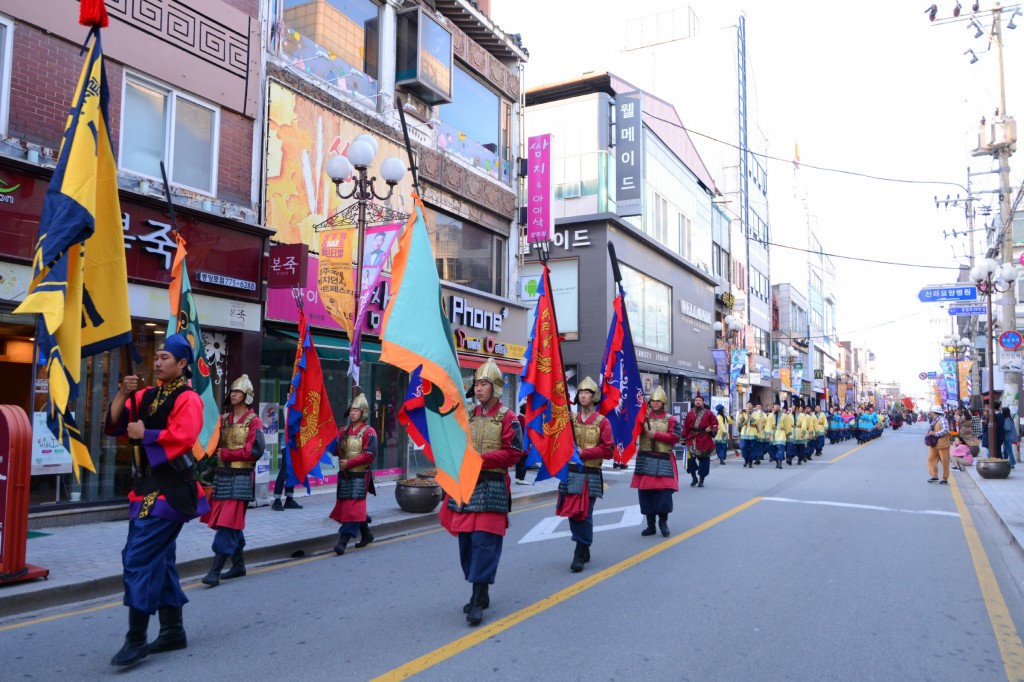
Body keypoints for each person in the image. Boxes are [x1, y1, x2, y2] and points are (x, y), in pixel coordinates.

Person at [104, 334, 209, 667]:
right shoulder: (147, 395)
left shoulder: (188, 398)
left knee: (138, 557)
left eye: (166, 357)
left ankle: (135, 640)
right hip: (146, 487)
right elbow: (116, 423)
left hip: (171, 489)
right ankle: (173, 630)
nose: (159, 361)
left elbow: (183, 437)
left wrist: (145, 434)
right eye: (158, 356)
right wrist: (123, 392)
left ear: (182, 363)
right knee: (159, 560)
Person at [438, 358, 523, 626]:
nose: (478, 388)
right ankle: (482, 590)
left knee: (485, 544)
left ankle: (476, 599)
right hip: (467, 488)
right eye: (476, 383)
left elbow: (515, 453)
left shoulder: (509, 417)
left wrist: (481, 459)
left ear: (496, 386)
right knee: (466, 543)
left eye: (484, 383)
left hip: (493, 487)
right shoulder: (467, 415)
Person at [200, 375, 262, 587]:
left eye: (238, 391)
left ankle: (214, 572)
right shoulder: (223, 419)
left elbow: (255, 450)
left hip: (241, 478)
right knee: (230, 523)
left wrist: (226, 455)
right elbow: (210, 441)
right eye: (232, 391)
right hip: (222, 476)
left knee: (227, 523)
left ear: (247, 396)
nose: (233, 394)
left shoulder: (254, 421)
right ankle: (238, 565)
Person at [557, 377, 613, 572]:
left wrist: (585, 452)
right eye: (580, 392)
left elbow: (608, 450)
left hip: (591, 472)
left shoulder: (602, 422)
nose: (583, 395)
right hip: (571, 472)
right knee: (573, 513)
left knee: (584, 513)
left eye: (587, 392)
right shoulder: (569, 419)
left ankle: (579, 552)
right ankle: (584, 545)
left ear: (594, 396)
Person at [330, 393, 377, 555]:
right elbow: (336, 451)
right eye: (351, 410)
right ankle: (367, 534)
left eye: (356, 410)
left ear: (363, 412)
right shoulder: (343, 431)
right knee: (351, 508)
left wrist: (349, 462)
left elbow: (370, 455)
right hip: (345, 476)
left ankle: (342, 541)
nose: (352, 413)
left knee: (353, 508)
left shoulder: (369, 432)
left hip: (359, 476)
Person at [631, 386, 681, 537]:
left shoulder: (671, 419)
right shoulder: (642, 417)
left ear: (664, 402)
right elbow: (633, 432)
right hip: (646, 458)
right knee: (646, 493)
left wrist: (656, 435)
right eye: (653, 400)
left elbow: (676, 438)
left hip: (663, 458)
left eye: (658, 401)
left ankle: (663, 521)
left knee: (664, 493)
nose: (655, 403)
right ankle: (650, 524)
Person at [683, 393, 718, 487]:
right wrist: (683, 438)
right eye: (696, 400)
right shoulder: (690, 413)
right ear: (694, 402)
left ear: (703, 402)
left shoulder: (709, 413)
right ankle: (694, 477)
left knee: (704, 460)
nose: (698, 402)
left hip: (704, 437)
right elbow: (686, 426)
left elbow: (715, 424)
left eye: (700, 400)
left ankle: (701, 479)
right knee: (690, 460)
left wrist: (710, 429)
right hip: (692, 438)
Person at [927, 406, 951, 484]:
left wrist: (935, 433)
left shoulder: (942, 419)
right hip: (934, 444)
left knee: (944, 461)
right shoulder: (935, 420)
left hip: (942, 443)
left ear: (934, 412)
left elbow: (946, 430)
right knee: (931, 459)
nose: (931, 413)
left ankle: (945, 478)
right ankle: (934, 476)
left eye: (932, 412)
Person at [737, 401, 758, 468]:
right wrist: (740, 414)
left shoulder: (756, 413)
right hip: (744, 433)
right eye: (747, 405)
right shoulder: (743, 413)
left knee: (752, 448)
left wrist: (749, 415)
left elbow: (755, 422)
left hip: (752, 433)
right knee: (743, 447)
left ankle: (750, 461)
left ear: (752, 406)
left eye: (750, 405)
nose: (749, 406)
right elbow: (740, 422)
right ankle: (746, 459)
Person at [775, 404, 794, 468]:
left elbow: (787, 425)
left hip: (781, 433)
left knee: (781, 447)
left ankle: (780, 461)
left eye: (777, 405)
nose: (776, 406)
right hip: (773, 433)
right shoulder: (771, 415)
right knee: (774, 449)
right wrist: (768, 434)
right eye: (774, 405)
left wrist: (788, 434)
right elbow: (768, 425)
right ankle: (777, 461)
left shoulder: (785, 416)